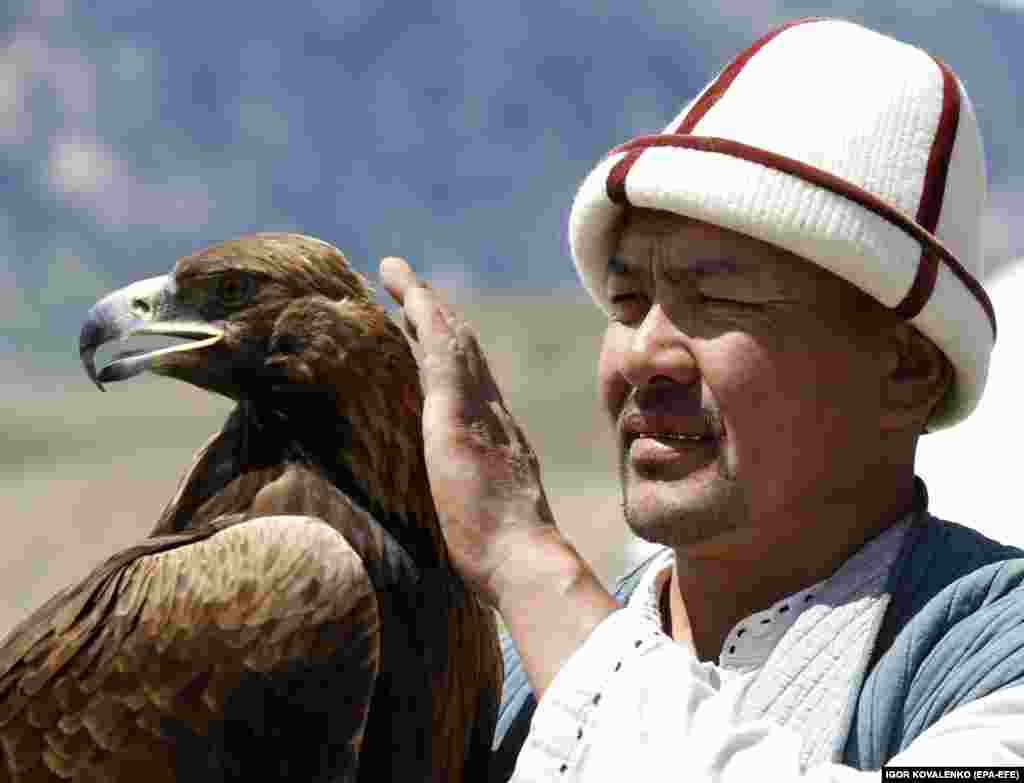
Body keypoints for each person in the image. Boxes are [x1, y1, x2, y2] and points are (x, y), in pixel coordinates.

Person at [381, 17, 1024, 780]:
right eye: (626, 299)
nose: (645, 352)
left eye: (718, 298)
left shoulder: (994, 656)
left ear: (906, 371)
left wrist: (525, 558)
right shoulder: (517, 680)